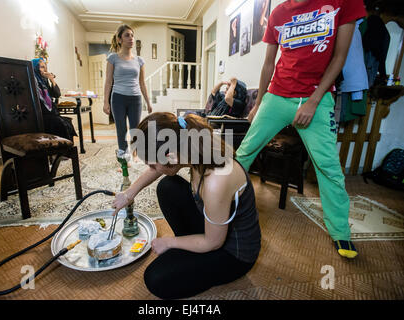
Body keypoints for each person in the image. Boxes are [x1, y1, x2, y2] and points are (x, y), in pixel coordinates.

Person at [236, 0, 367, 259]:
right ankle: (222, 205)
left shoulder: (343, 3)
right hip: (277, 95)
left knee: (328, 166)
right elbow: (268, 64)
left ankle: (340, 231)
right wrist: (259, 103)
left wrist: (314, 101)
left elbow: (339, 57)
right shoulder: (279, 13)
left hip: (316, 99)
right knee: (244, 154)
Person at [112, 112, 261, 299]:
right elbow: (158, 170)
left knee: (156, 279)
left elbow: (213, 242)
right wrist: (128, 194)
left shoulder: (216, 181)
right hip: (215, 226)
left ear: (171, 156)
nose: (152, 169)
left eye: (152, 164)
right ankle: (190, 249)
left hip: (234, 252)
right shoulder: (188, 143)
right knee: (167, 186)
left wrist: (169, 242)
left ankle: (193, 253)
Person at [103, 24, 153, 158]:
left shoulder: (139, 60)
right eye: (127, 35)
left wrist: (148, 102)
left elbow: (142, 82)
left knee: (135, 129)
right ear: (119, 39)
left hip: (135, 98)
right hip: (118, 97)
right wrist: (105, 102)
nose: (131, 38)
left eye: (132, 35)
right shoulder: (113, 58)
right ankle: (123, 153)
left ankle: (135, 152)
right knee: (121, 128)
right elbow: (108, 82)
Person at [31, 58, 77, 141]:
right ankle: (61, 148)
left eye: (45, 67)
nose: (44, 70)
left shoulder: (44, 81)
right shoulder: (33, 81)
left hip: (51, 112)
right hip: (42, 114)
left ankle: (67, 147)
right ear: (35, 68)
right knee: (60, 124)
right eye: (41, 67)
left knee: (67, 123)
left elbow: (57, 94)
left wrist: (52, 80)